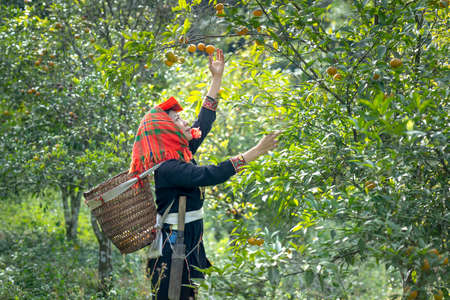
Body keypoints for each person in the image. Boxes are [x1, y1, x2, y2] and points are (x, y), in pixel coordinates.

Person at [129, 48, 279, 300]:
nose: (185, 122)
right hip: (173, 247)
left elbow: (204, 122)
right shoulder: (168, 168)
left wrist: (216, 78)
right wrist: (256, 151)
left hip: (186, 241)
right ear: (167, 132)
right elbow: (210, 174)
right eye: (178, 120)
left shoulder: (180, 152)